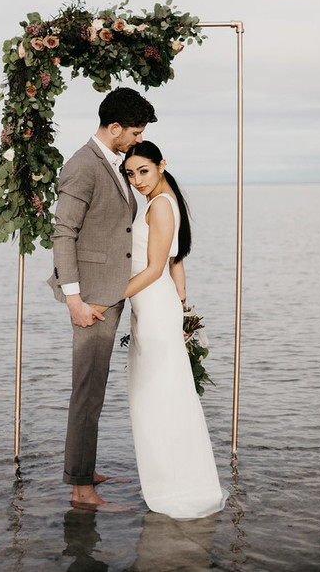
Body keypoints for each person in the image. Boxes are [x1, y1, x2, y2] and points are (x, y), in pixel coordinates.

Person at [48, 87, 157, 512]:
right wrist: (74, 300)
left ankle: (83, 468)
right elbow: (63, 234)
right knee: (88, 392)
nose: (137, 139)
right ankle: (81, 491)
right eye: (134, 132)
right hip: (91, 297)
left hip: (109, 291)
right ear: (114, 128)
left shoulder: (111, 163)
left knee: (94, 389)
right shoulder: (82, 166)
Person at [122, 141, 226, 519]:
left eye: (144, 171)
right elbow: (175, 263)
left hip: (151, 305)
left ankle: (175, 483)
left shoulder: (162, 205)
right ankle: (170, 476)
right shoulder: (164, 200)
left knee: (158, 397)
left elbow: (152, 269)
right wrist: (182, 305)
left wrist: (107, 299)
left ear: (161, 165)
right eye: (131, 174)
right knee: (162, 395)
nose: (137, 181)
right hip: (154, 306)